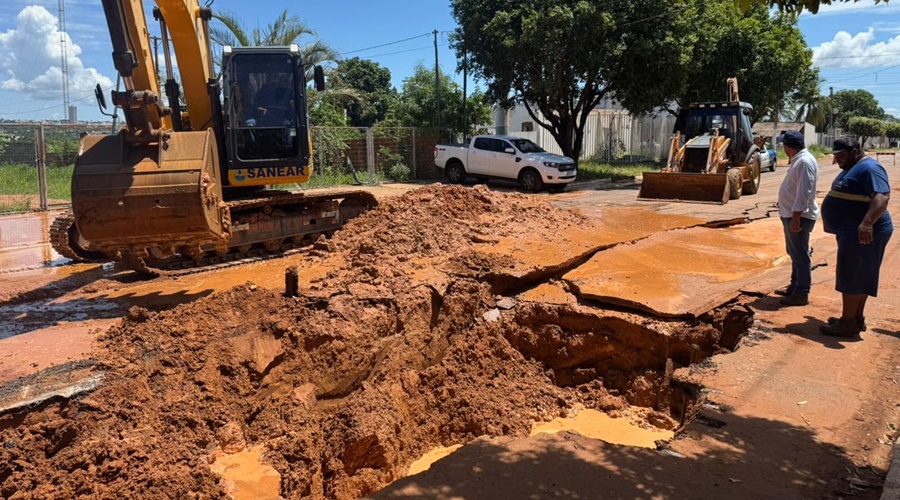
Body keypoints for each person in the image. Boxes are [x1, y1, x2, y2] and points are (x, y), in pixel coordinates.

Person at [819, 137, 893, 337]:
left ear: (854, 152)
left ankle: (848, 322)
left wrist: (867, 223)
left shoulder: (870, 169)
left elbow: (882, 197)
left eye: (841, 156)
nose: (838, 161)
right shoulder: (854, 168)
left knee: (852, 275)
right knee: (858, 275)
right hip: (853, 232)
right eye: (835, 157)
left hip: (864, 233)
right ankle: (854, 318)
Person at [774, 130, 819, 306]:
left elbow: (804, 191)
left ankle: (801, 292)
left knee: (800, 254)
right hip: (792, 214)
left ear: (787, 147)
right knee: (794, 252)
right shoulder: (800, 160)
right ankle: (794, 286)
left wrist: (796, 217)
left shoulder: (804, 162)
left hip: (798, 216)